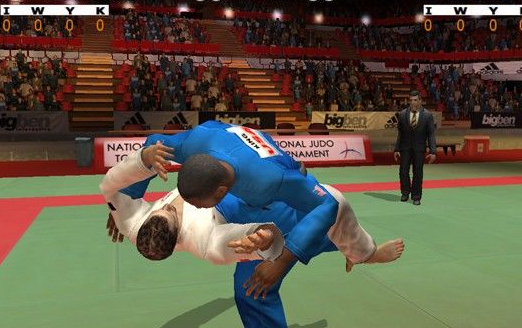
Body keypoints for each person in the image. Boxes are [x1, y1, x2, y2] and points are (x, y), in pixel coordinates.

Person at [101, 144, 404, 328]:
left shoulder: (133, 222)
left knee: (306, 214)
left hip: (226, 187)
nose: (168, 206)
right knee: (252, 287)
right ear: (177, 231)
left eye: (161, 210)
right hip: (236, 215)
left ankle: (356, 249)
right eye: (170, 213)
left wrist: (123, 204)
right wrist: (262, 238)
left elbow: (117, 185)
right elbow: (255, 237)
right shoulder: (206, 243)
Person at [136, 121, 383, 299]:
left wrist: (282, 262)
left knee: (314, 214)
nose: (192, 208)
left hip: (278, 172)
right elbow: (151, 145)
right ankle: (351, 249)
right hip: (234, 145)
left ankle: (359, 251)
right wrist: (131, 195)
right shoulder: (194, 143)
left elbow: (328, 205)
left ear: (220, 192)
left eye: (199, 204)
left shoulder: (272, 181)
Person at [393, 91, 437, 205]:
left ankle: (416, 196)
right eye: (411, 100)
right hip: (405, 148)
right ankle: (405, 192)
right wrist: (396, 149)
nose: (412, 102)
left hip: (419, 148)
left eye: (415, 100)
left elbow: (431, 134)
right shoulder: (402, 114)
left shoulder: (427, 115)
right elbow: (400, 134)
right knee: (403, 171)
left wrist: (433, 151)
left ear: (420, 101)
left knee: (418, 173)